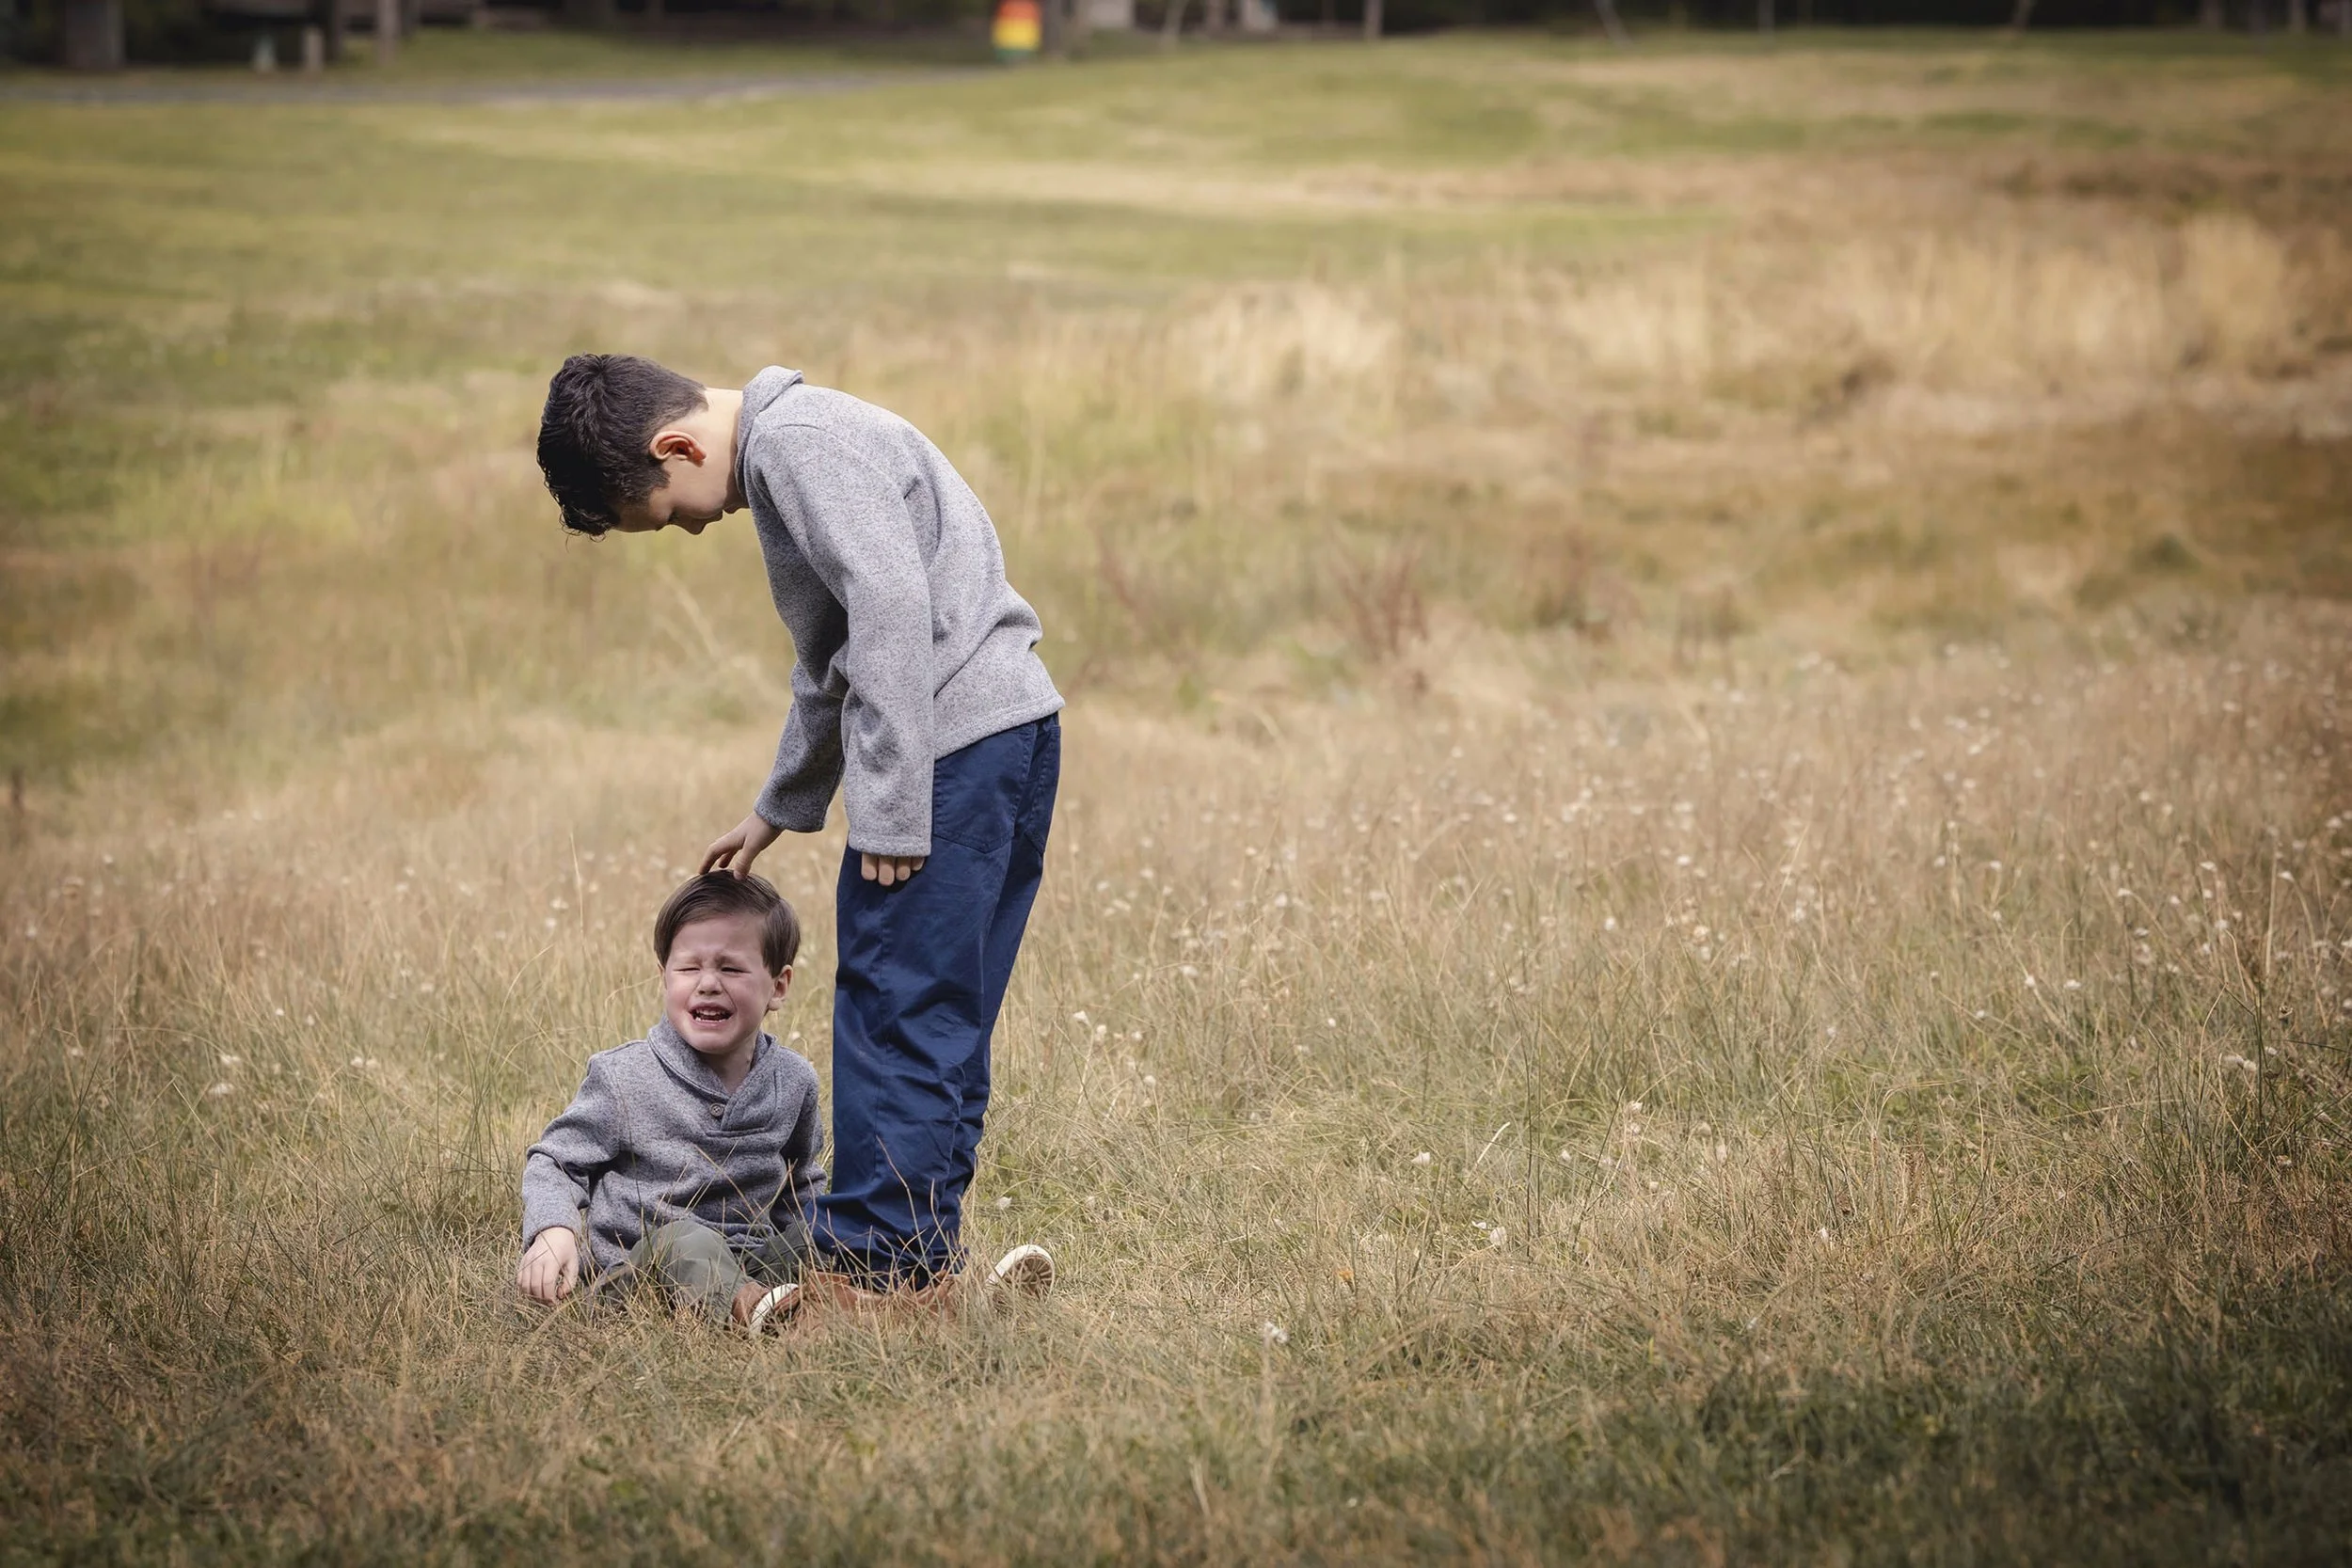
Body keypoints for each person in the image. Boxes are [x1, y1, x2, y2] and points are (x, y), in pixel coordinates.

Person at [535, 355, 1059, 1305]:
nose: (690, 527)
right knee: (940, 1009)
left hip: (948, 753)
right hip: (1002, 736)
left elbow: (892, 610)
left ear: (679, 447)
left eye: (666, 512)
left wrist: (892, 805)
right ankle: (922, 1264)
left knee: (892, 996)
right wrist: (778, 806)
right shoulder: (802, 446)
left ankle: (874, 1266)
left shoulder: (799, 445)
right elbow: (835, 658)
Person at [518, 872, 820, 1333]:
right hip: (642, 1277)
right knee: (686, 1240)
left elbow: (802, 1184)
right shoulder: (624, 1077)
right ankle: (761, 1313)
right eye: (688, 968)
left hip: (755, 1263)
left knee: (838, 1228)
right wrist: (553, 1229)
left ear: (778, 986)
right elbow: (556, 1162)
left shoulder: (793, 1080)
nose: (707, 984)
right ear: (663, 977)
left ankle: (805, 1304)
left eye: (731, 968)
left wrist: (829, 1234)